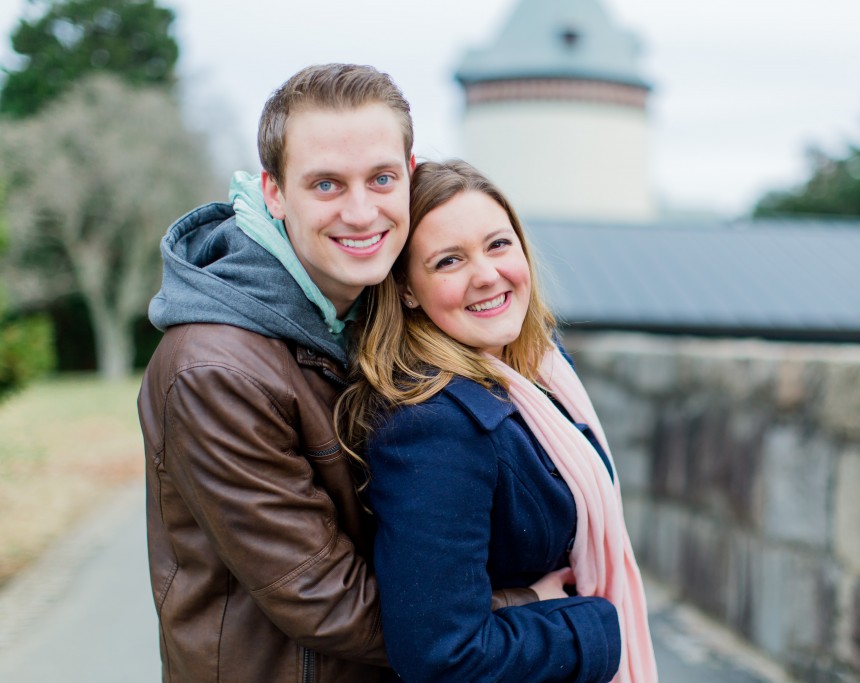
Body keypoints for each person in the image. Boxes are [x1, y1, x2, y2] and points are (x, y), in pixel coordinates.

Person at [137, 63, 415, 682]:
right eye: (326, 185)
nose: (362, 211)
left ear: (410, 177)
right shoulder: (214, 369)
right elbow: (323, 599)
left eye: (381, 178)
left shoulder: (381, 311)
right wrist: (522, 613)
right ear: (274, 192)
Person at [335, 159, 659, 682]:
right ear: (407, 290)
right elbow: (444, 655)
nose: (486, 275)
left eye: (498, 244)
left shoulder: (541, 371)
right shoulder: (431, 426)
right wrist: (597, 627)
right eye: (448, 261)